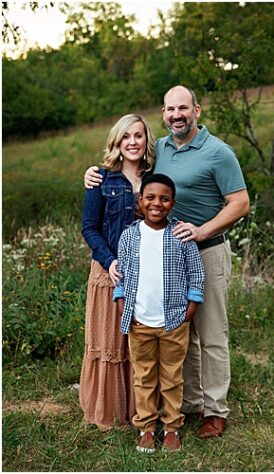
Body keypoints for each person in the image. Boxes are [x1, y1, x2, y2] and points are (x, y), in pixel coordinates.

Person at [85, 85, 250, 438]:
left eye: (183, 108)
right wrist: (92, 173)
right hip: (166, 255)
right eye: (170, 109)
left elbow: (240, 203)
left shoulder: (218, 152)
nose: (177, 115)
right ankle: (189, 403)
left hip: (207, 249)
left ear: (197, 111)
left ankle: (215, 411)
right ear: (163, 114)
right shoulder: (158, 149)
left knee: (211, 334)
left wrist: (201, 231)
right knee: (178, 329)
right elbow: (126, 161)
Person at [114, 174, 205, 453]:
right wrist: (122, 305)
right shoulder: (129, 236)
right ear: (140, 201)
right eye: (150, 198)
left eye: (164, 199)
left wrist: (190, 309)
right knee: (144, 377)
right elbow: (122, 275)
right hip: (139, 321)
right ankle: (146, 427)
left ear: (172, 203)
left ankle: (172, 428)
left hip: (174, 321)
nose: (157, 203)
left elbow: (196, 274)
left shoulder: (181, 235)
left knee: (172, 377)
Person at [79, 114, 157, 431]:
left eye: (138, 135)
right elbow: (89, 228)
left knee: (142, 343)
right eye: (126, 136)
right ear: (117, 141)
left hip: (148, 274)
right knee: (111, 342)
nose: (133, 142)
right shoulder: (101, 178)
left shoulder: (156, 178)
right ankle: (110, 411)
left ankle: (145, 411)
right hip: (109, 273)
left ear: (146, 140)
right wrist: (110, 260)